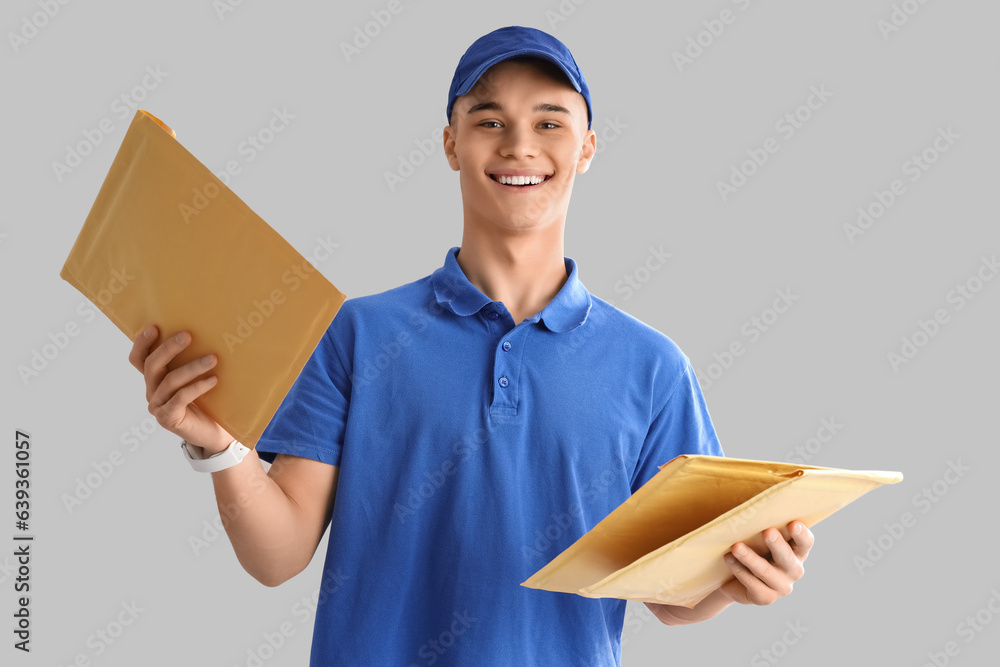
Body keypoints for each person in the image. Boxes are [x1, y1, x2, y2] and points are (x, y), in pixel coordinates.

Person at [129, 25, 813, 666]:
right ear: (452, 142)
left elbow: (671, 592)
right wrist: (220, 444)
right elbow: (277, 555)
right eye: (489, 120)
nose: (519, 144)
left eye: (550, 121)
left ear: (588, 148)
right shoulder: (357, 334)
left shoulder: (654, 368)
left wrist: (736, 579)